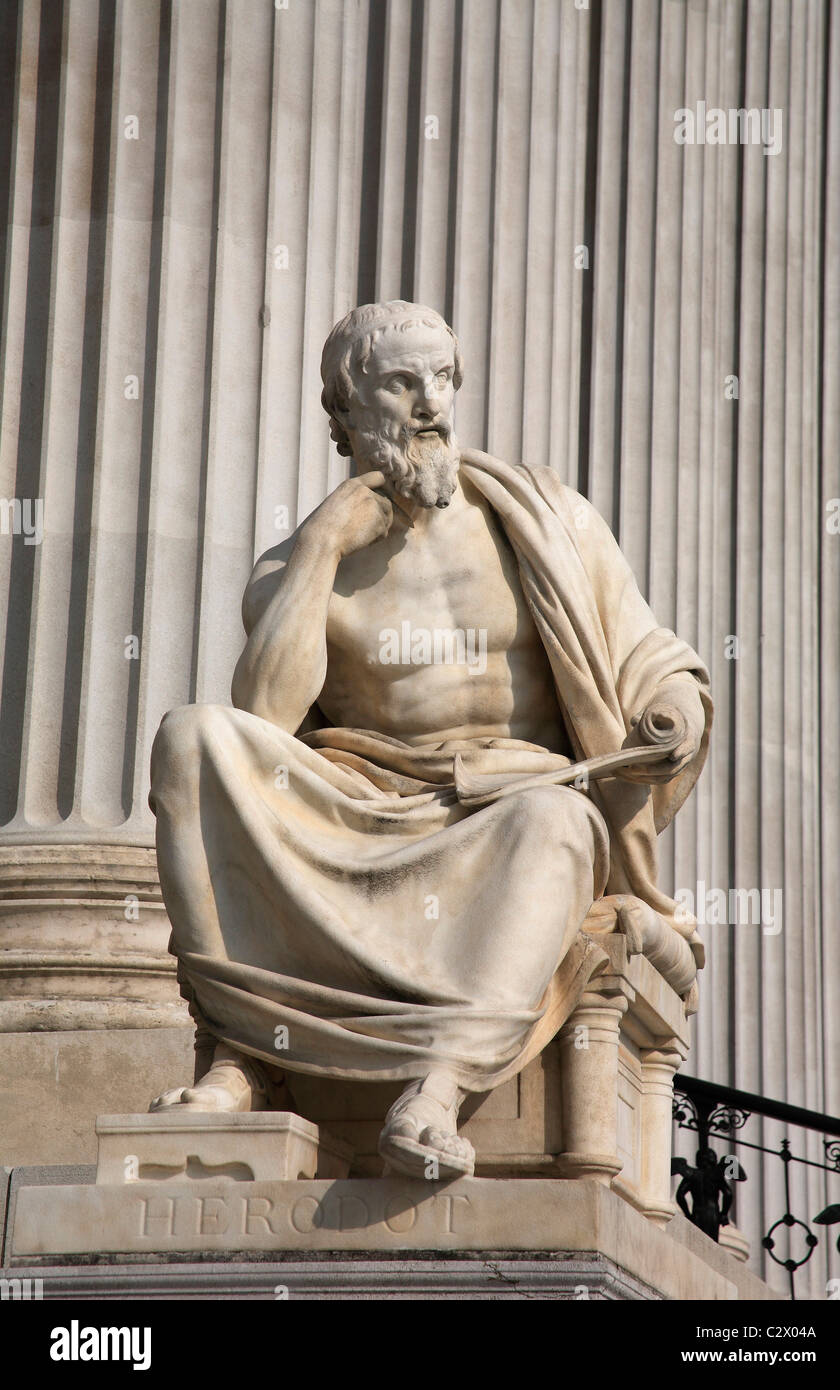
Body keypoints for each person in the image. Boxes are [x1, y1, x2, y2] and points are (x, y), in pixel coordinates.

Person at [148, 300, 711, 1181]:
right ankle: (245, 1049)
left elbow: (651, 656)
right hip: (361, 805)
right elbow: (264, 715)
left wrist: (677, 709)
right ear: (344, 413)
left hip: (509, 804)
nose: (431, 405)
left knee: (556, 825)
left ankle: (439, 1086)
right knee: (192, 740)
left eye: (443, 379)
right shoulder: (294, 565)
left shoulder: (544, 519)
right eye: (402, 383)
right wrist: (326, 544)